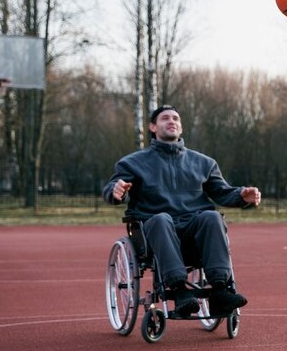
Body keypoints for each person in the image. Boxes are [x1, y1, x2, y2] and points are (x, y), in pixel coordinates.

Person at [103, 105, 260, 317]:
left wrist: (242, 196)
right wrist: (116, 191)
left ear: (181, 127)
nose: (171, 121)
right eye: (165, 118)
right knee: (161, 220)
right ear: (152, 127)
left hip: (193, 231)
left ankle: (221, 291)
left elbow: (223, 193)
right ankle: (179, 292)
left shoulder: (204, 163)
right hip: (156, 231)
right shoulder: (132, 163)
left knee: (212, 217)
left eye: (176, 118)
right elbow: (113, 189)